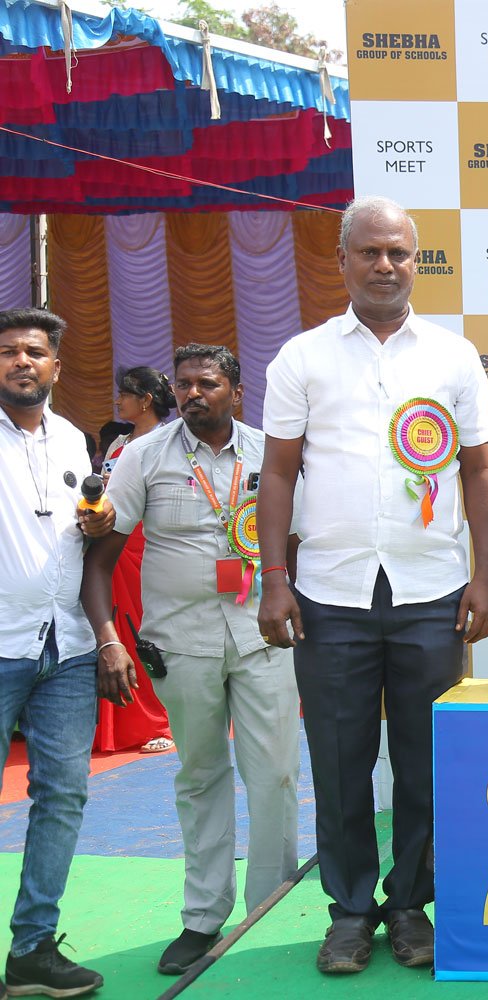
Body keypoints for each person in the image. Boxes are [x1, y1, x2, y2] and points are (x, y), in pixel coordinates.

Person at [257, 196, 488, 976]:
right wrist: (274, 580)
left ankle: (411, 907)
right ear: (343, 261)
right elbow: (278, 472)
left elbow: (479, 470)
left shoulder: (454, 357)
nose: (386, 265)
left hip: (432, 590)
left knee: (425, 762)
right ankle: (351, 912)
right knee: (340, 761)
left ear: (416, 261)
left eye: (399, 252)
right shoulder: (302, 357)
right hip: (330, 596)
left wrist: (484, 578)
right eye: (370, 252)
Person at [81, 344, 301, 976]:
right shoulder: (143, 455)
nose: (193, 394)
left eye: (208, 383)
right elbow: (101, 555)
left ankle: (270, 910)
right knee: (200, 776)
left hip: (264, 637)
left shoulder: (271, 452)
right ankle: (203, 917)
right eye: (183, 385)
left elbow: (299, 543)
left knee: (276, 775)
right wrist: (109, 638)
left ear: (237, 392)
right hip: (180, 645)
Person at [0, 307, 114, 998]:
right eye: (9, 350)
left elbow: (80, 533)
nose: (22, 361)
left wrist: (97, 523)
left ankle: (32, 950)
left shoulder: (73, 440)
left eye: (34, 352)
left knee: (63, 796)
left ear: (56, 367)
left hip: (65, 647)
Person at [94, 365, 175, 755]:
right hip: (114, 543)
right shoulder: (117, 443)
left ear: (145, 401)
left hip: (150, 543)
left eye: (125, 393)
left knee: (150, 629)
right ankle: (121, 725)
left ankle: (161, 720)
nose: (118, 400)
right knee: (118, 627)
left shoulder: (170, 440)